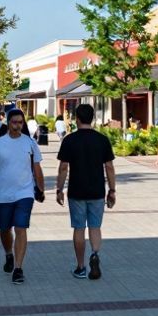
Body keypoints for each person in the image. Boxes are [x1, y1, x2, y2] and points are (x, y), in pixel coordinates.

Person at [0, 109, 45, 285]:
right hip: (3, 194)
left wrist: (40, 189)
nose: (18, 125)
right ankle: (9, 254)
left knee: (21, 228)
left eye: (20, 122)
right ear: (8, 123)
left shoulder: (30, 143)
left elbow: (37, 168)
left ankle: (18, 268)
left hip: (25, 193)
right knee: (4, 229)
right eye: (14, 122)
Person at [55, 103, 116, 280]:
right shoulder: (102, 140)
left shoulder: (69, 140)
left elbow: (63, 167)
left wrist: (59, 189)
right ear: (93, 119)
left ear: (77, 119)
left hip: (76, 191)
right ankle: (95, 254)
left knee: (79, 228)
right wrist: (112, 190)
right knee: (95, 227)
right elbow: (109, 167)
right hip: (97, 190)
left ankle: (81, 267)